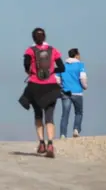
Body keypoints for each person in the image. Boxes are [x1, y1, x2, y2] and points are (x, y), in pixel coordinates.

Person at [22, 28, 65, 158]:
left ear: (33, 37)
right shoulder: (53, 50)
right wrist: (51, 71)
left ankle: (41, 143)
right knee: (50, 116)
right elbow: (62, 68)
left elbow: (26, 67)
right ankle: (50, 144)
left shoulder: (30, 51)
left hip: (35, 86)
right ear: (45, 36)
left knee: (38, 115)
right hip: (51, 86)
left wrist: (34, 73)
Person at [58, 48, 88, 138]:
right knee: (78, 112)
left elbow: (57, 80)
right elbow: (83, 78)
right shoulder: (80, 65)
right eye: (79, 54)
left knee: (65, 114)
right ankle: (76, 129)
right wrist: (85, 86)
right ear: (76, 55)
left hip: (65, 92)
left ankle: (63, 134)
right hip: (77, 92)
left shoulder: (62, 66)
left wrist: (62, 86)